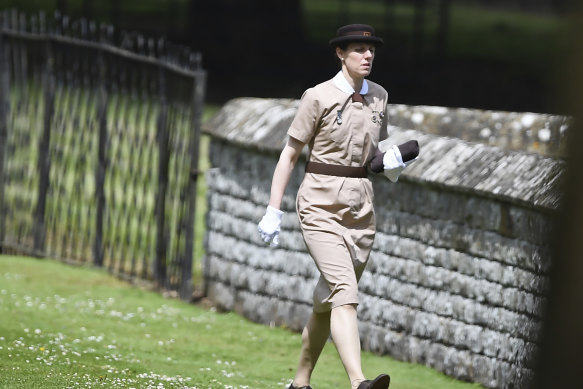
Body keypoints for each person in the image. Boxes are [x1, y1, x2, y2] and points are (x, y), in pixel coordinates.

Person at [258, 24, 418, 389]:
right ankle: (359, 382)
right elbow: (290, 154)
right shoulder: (317, 96)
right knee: (345, 291)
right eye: (359, 49)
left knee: (326, 302)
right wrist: (273, 209)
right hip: (319, 204)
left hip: (361, 210)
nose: (367, 55)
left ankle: (299, 383)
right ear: (340, 54)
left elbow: (375, 155)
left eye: (371, 49)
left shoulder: (379, 95)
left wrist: (392, 163)